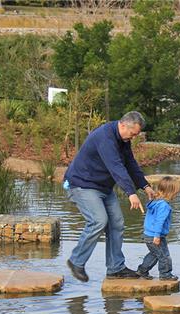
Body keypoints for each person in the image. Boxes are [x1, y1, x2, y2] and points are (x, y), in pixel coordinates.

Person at [64, 111, 155, 282]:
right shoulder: (105, 137)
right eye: (133, 133)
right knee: (98, 220)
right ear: (122, 125)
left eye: (136, 134)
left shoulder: (123, 140)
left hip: (103, 187)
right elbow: (116, 167)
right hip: (82, 185)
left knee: (117, 223)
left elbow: (130, 164)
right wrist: (131, 193)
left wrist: (144, 185)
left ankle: (115, 268)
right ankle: (76, 261)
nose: (133, 137)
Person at [137, 176, 180, 281]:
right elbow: (159, 222)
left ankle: (142, 271)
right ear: (170, 192)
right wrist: (157, 236)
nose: (176, 195)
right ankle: (166, 275)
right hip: (155, 235)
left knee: (154, 254)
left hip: (148, 234)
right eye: (176, 192)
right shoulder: (164, 206)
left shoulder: (155, 202)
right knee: (164, 256)